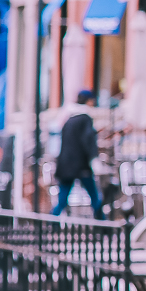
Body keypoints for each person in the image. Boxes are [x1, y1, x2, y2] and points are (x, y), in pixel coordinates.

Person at [54, 91, 104, 219]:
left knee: (62, 198)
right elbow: (88, 141)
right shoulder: (85, 118)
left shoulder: (69, 119)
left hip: (66, 165)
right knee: (94, 197)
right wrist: (94, 160)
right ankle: (103, 225)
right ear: (88, 101)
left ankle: (52, 222)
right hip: (81, 166)